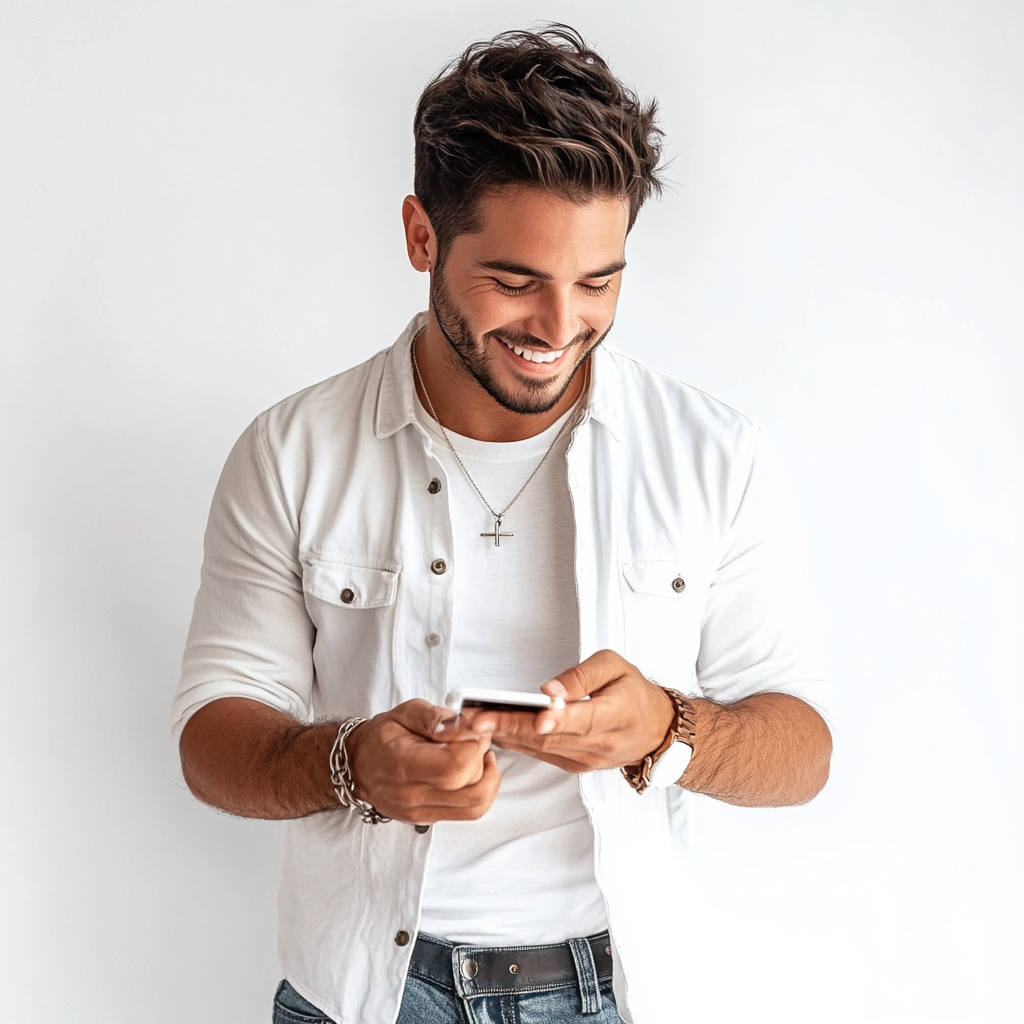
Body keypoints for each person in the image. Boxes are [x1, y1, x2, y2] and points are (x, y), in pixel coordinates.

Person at [173, 24, 832, 1024]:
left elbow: (802, 748)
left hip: (613, 990)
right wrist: (354, 763)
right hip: (359, 994)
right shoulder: (292, 450)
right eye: (517, 280)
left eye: (598, 281)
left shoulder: (714, 456)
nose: (558, 325)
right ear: (421, 236)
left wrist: (667, 727)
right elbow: (212, 735)